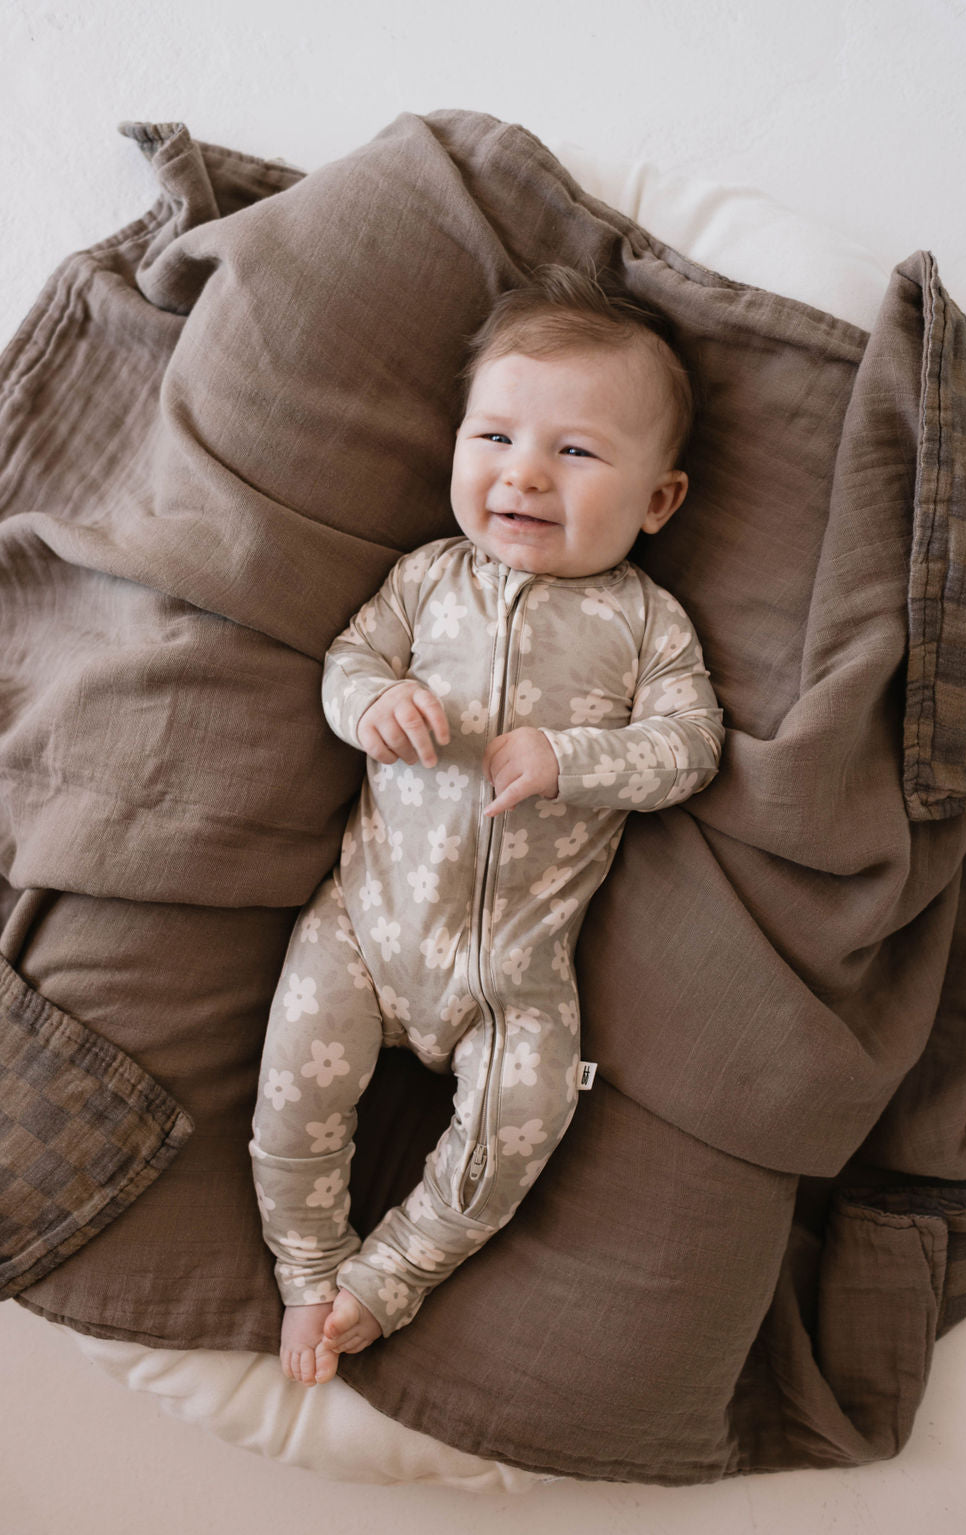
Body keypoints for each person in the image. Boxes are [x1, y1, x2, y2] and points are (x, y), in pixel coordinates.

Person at [250, 266, 725, 1385]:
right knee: (294, 1093)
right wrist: (372, 701)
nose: (521, 473)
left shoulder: (645, 621)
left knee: (526, 1117)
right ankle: (308, 1269)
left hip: (515, 967)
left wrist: (576, 758)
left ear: (657, 500)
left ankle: (391, 1276)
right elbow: (346, 664)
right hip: (363, 928)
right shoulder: (425, 581)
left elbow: (691, 745)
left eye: (574, 451)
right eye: (495, 435)